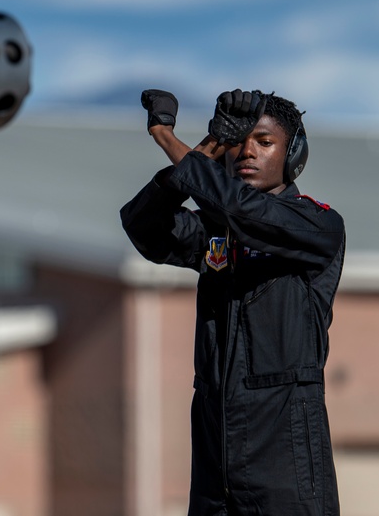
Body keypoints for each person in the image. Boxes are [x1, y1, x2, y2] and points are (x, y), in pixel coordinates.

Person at [120, 89, 345, 516]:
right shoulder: (216, 232)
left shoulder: (316, 225)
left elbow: (247, 213)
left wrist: (165, 137)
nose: (248, 152)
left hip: (286, 467)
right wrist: (208, 146)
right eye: (238, 141)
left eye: (264, 141)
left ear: (293, 153)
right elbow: (143, 226)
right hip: (213, 465)